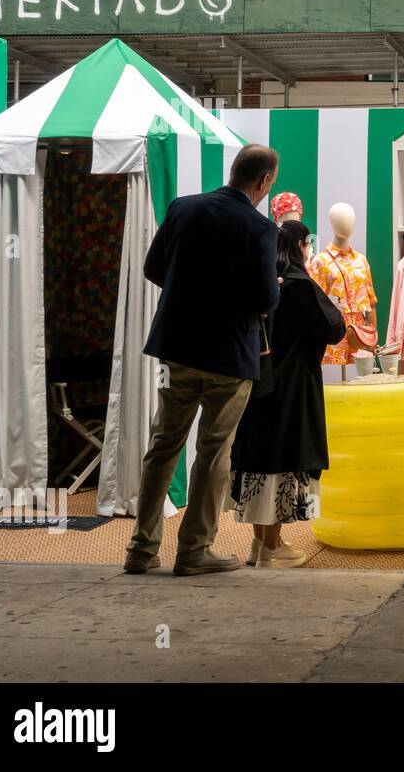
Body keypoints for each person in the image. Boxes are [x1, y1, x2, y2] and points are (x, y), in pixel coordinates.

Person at [124, 144, 280, 577]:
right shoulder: (261, 229)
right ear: (264, 181)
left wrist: (191, 293)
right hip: (229, 355)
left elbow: (155, 268)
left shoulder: (183, 209)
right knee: (214, 453)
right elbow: (266, 299)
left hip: (178, 347)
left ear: (233, 171)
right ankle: (193, 550)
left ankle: (141, 549)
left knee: (163, 447)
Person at [229, 219, 346, 569]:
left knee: (260, 459)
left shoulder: (260, 282)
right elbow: (333, 328)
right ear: (300, 246)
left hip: (256, 384)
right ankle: (272, 545)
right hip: (293, 386)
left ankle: (260, 542)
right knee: (283, 459)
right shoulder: (299, 285)